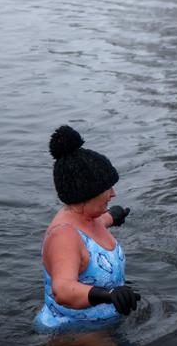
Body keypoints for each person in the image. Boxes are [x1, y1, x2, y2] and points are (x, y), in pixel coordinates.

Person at [35, 125, 141, 332]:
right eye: (107, 188)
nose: (113, 194)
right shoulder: (64, 236)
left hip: (103, 324)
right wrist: (108, 294)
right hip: (72, 330)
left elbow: (97, 227)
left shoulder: (89, 219)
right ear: (87, 192)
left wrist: (113, 216)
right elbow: (63, 290)